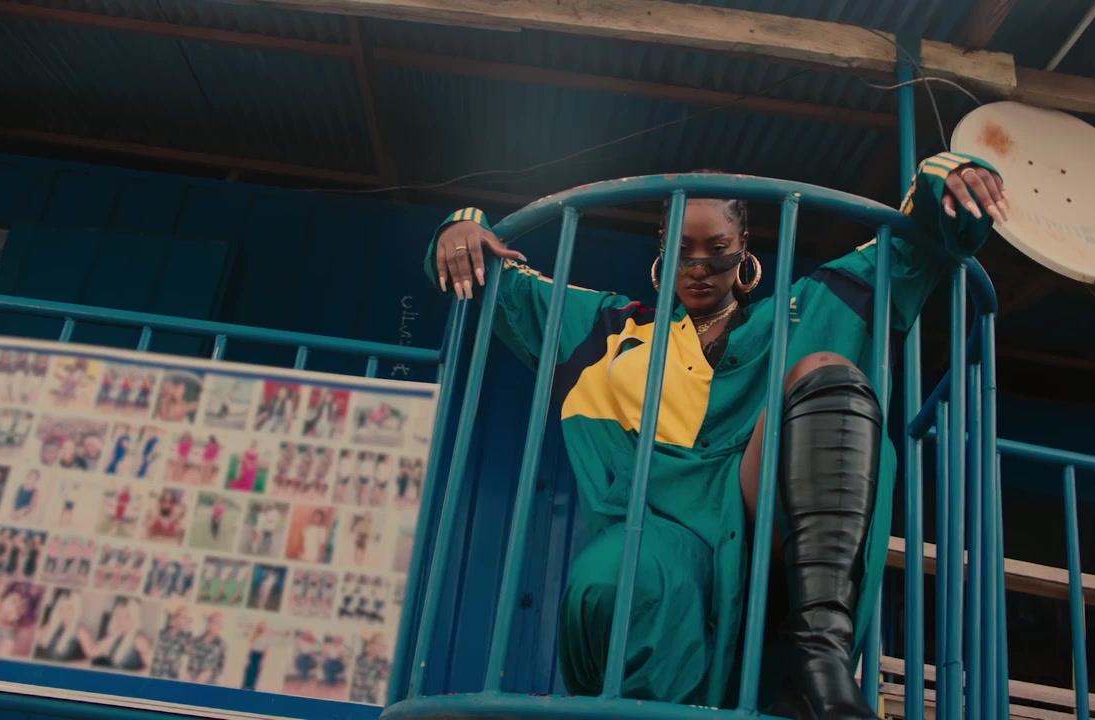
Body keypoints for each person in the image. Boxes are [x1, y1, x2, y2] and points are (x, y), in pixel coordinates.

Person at [425, 153, 1007, 718]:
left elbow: (922, 241)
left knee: (825, 369)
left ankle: (818, 663)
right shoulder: (607, 332)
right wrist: (460, 229)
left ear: (744, 247)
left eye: (718, 249)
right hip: (658, 545)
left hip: (766, 548)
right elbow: (488, 278)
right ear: (661, 248)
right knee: (618, 573)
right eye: (682, 251)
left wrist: (949, 179)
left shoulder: (800, 313)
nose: (700, 266)